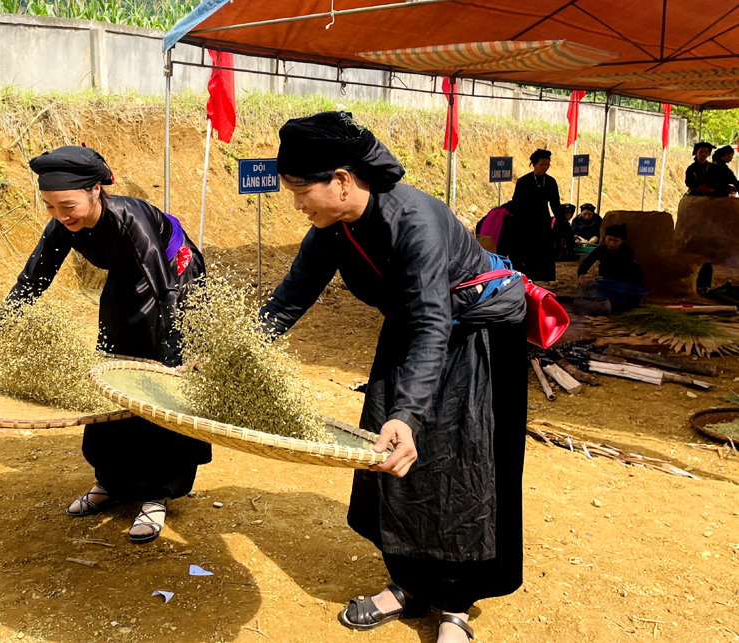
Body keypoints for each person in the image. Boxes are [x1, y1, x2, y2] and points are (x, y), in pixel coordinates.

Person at [261, 112, 528, 643]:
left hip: (470, 338)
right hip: (414, 333)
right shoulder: (331, 229)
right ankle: (406, 584)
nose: (296, 204)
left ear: (341, 180)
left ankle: (455, 605)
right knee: (391, 462)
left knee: (457, 469)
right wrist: (232, 351)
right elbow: (289, 299)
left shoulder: (415, 220)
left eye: (300, 190)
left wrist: (408, 414)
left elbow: (434, 321)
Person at [0, 146, 211, 543]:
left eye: (68, 204)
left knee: (157, 377)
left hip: (174, 279)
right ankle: (110, 480)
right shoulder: (62, 226)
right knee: (107, 369)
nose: (61, 215)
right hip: (126, 278)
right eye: (50, 207)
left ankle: (156, 493)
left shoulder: (131, 218)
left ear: (95, 191)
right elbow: (31, 281)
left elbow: (165, 291)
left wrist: (179, 350)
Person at [509, 149, 566, 281]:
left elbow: (555, 205)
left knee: (545, 256)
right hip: (526, 223)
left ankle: (546, 282)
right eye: (542, 165)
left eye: (547, 164)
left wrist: (563, 224)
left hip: (544, 223)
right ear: (533, 164)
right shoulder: (523, 182)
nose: (545, 168)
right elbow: (516, 203)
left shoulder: (551, 182)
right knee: (528, 257)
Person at [577, 223, 643, 286]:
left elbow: (621, 270)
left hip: (623, 279)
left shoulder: (627, 252)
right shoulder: (601, 250)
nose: (611, 243)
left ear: (622, 241)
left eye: (615, 241)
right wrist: (581, 276)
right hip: (604, 277)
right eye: (609, 239)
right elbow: (586, 264)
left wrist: (597, 279)